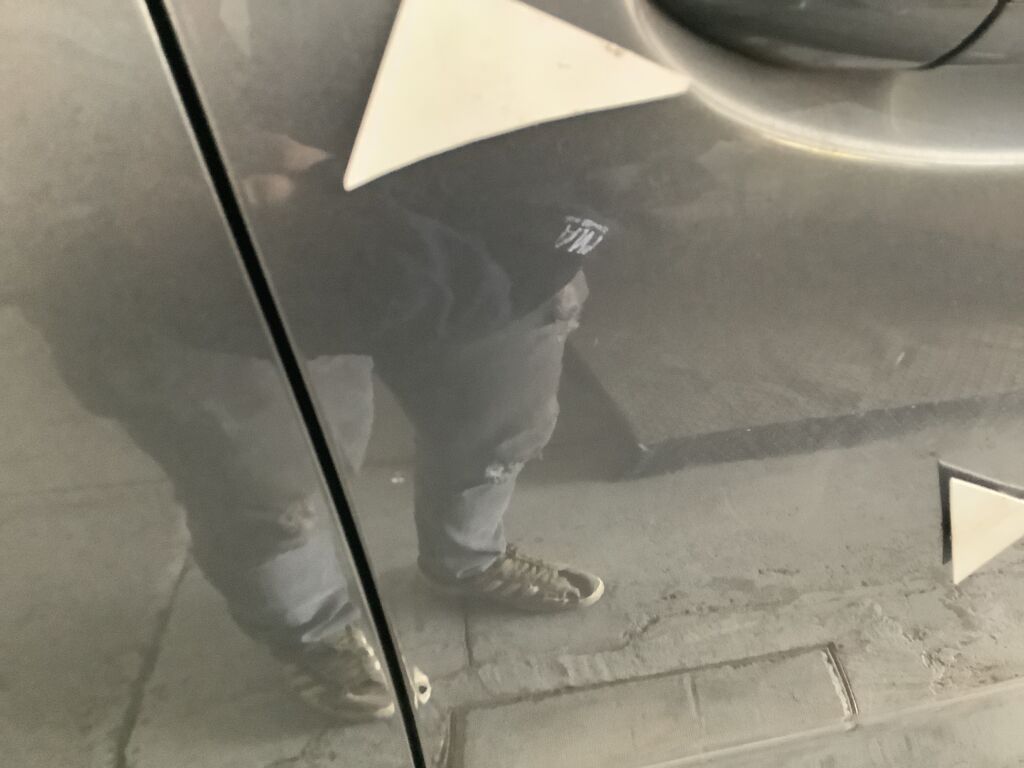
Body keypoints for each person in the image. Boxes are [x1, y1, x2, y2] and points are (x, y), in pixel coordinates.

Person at [10, 0, 612, 724]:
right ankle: (314, 632)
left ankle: (468, 557)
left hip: (486, 239)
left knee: (499, 427)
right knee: (268, 490)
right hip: (206, 297)